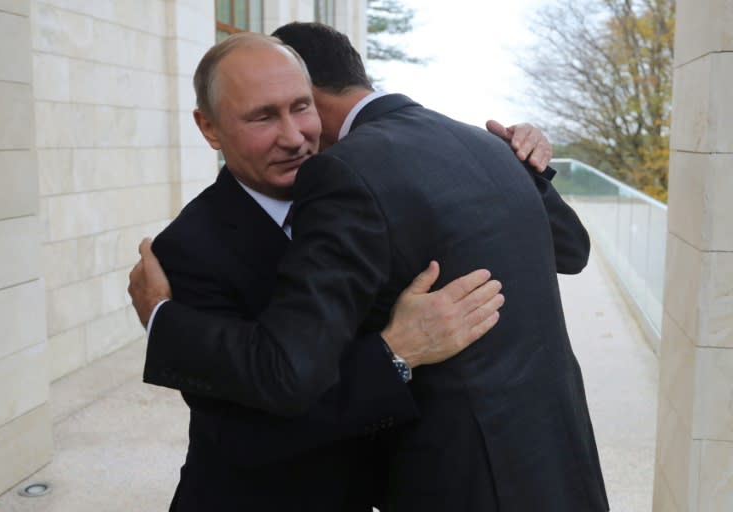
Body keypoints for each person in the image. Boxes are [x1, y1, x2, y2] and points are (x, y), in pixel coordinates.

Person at [129, 27, 607, 512]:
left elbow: (566, 247)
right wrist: (397, 352)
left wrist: (525, 165)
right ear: (209, 128)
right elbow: (243, 433)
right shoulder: (187, 251)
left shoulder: (361, 191)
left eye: (300, 107)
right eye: (262, 117)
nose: (294, 137)